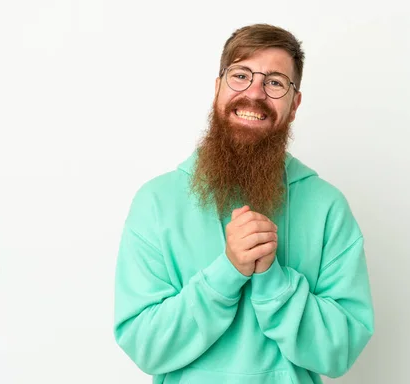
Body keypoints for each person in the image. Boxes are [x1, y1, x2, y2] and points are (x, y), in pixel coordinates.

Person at [113, 23, 374, 384]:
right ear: (217, 88)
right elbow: (145, 346)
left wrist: (273, 280)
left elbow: (341, 350)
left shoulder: (327, 206)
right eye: (240, 75)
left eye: (275, 82)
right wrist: (227, 272)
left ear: (294, 105)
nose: (254, 93)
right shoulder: (156, 202)